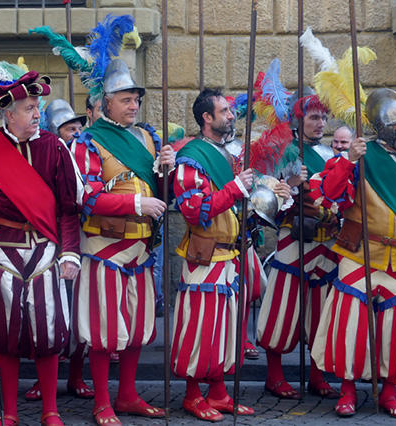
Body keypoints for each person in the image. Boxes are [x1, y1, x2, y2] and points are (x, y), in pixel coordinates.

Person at [0, 71, 82, 426]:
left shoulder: (55, 149)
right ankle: (8, 413)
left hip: (46, 251)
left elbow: (68, 210)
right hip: (0, 251)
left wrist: (70, 253)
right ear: (9, 114)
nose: (36, 114)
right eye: (29, 108)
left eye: (37, 106)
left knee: (48, 332)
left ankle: (50, 410)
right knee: (6, 334)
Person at [70, 59, 175, 425]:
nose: (133, 106)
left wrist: (167, 171)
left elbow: (165, 196)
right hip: (104, 248)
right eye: (126, 99)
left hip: (143, 247)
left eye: (136, 100)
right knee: (104, 330)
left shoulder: (149, 137)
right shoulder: (87, 141)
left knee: (136, 326)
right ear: (106, 102)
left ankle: (128, 395)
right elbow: (88, 198)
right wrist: (135, 203)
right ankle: (102, 401)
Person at [311, 88, 396, 419]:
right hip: (359, 255)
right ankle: (348, 392)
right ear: (385, 128)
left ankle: (389, 393)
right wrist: (350, 159)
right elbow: (328, 192)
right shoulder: (358, 157)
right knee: (352, 326)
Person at [171, 88, 256, 422]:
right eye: (224, 111)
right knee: (201, 330)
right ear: (207, 118)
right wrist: (236, 188)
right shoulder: (192, 156)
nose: (231, 115)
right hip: (204, 258)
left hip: (229, 256)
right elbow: (195, 211)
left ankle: (218, 392)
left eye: (230, 110)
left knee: (224, 329)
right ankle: (193, 395)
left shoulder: (226, 154)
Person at [256, 92, 340, 400]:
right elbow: (263, 200)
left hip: (327, 240)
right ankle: (274, 376)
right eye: (314, 117)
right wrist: (290, 184)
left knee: (321, 311)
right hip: (294, 239)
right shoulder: (284, 153)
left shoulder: (332, 155)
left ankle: (317, 375)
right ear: (299, 120)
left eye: (323, 117)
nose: (321, 123)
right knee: (284, 307)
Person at [22, 98, 93, 403]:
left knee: (77, 314)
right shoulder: (41, 155)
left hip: (77, 241)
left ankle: (76, 374)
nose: (74, 133)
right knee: (43, 317)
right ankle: (42, 379)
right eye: (68, 128)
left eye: (77, 127)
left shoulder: (87, 155)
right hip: (44, 243)